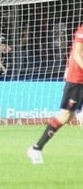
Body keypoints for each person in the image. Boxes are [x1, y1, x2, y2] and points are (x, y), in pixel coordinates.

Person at [28, 19, 83, 164]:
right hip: (77, 80)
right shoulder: (82, 31)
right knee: (65, 116)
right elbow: (77, 55)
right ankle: (36, 148)